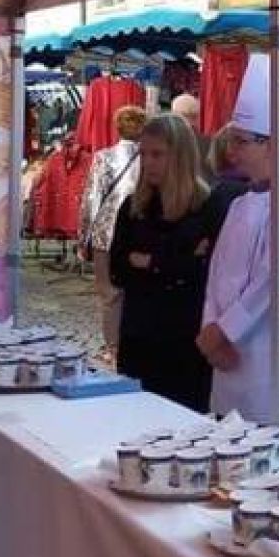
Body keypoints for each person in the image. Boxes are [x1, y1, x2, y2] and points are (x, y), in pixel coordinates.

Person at [197, 56, 279, 430]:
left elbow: (271, 283)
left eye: (241, 141)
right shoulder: (240, 203)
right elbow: (216, 273)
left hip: (270, 346)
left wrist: (223, 331)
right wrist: (210, 324)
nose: (232, 151)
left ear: (271, 145)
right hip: (227, 346)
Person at [109, 114, 224, 413]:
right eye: (144, 154)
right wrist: (170, 262)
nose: (148, 163)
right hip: (139, 335)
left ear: (179, 156)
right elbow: (117, 270)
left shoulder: (205, 208)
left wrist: (147, 261)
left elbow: (203, 273)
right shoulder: (133, 208)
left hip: (183, 339)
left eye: (157, 154)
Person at [79, 104, 145, 358]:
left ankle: (113, 347)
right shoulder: (151, 158)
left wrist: (83, 237)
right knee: (137, 291)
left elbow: (92, 199)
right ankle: (134, 343)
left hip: (106, 232)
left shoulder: (103, 158)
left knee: (109, 293)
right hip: (139, 234)